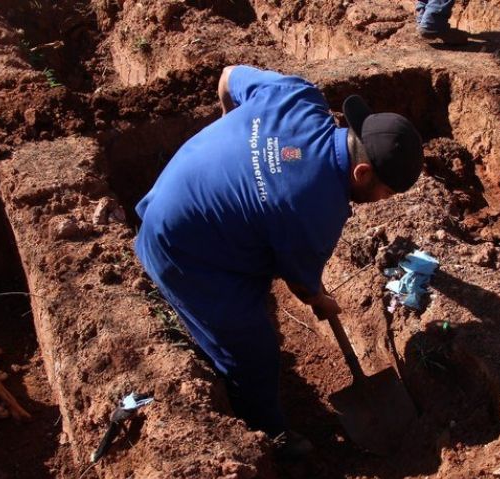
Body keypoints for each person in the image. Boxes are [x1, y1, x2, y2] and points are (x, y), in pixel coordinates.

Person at [134, 65, 424, 458]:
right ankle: (269, 434)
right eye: (384, 193)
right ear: (362, 172)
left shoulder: (299, 96)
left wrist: (231, 133)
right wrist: (321, 301)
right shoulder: (317, 210)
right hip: (183, 252)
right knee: (253, 355)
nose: (382, 202)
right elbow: (302, 285)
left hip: (174, 199)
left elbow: (228, 76)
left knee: (257, 268)